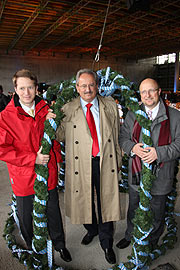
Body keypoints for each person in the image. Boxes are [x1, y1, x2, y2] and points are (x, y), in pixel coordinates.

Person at [0, 69, 72, 262]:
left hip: (46, 172)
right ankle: (34, 248)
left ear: (36, 88)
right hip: (23, 175)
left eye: (30, 87)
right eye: (22, 88)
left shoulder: (46, 110)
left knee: (53, 211)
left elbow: (53, 139)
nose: (26, 92)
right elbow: (3, 149)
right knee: (26, 216)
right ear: (15, 90)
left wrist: (55, 157)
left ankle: (60, 244)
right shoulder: (6, 117)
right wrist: (32, 158)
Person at [56, 68, 122, 264]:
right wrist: (53, 119)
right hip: (80, 164)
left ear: (97, 85)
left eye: (91, 84)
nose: (87, 89)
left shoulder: (109, 105)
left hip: (105, 161)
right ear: (76, 87)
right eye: (83, 85)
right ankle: (91, 229)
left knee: (106, 203)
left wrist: (117, 159)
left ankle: (106, 242)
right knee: (83, 200)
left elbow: (116, 135)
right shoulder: (67, 108)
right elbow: (60, 136)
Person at [116, 78, 180, 250]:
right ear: (140, 95)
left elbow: (178, 145)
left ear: (159, 92)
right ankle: (130, 235)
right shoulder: (133, 115)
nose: (148, 95)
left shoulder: (174, 116)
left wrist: (158, 153)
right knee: (134, 207)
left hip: (162, 173)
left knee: (157, 211)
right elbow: (123, 138)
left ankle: (152, 241)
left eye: (151, 91)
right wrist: (133, 148)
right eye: (143, 92)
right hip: (137, 172)